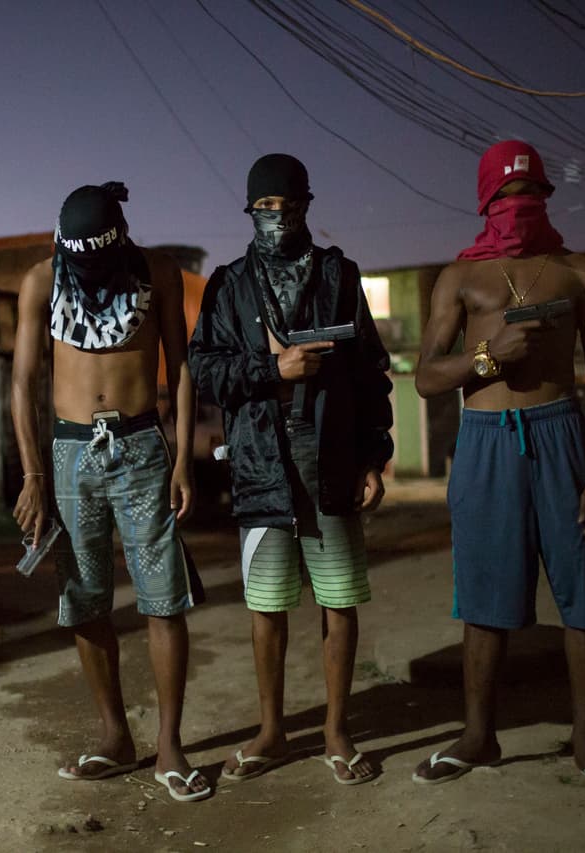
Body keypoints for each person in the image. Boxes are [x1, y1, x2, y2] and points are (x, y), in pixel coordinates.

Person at [412, 140, 585, 796]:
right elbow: (428, 376)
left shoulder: (578, 270)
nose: (520, 210)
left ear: (546, 196)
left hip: (562, 433)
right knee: (485, 594)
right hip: (487, 440)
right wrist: (486, 358)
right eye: (506, 199)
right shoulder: (460, 277)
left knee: (583, 589)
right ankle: (478, 735)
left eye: (531, 196)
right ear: (486, 204)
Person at [189, 154, 393, 786]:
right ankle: (273, 732)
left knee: (338, 600)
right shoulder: (228, 284)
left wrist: (374, 456)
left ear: (308, 206)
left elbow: (369, 376)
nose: (278, 219)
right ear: (250, 213)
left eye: (289, 207)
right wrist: (270, 371)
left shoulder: (339, 273)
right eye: (266, 210)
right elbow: (204, 368)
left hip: (329, 459)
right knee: (267, 604)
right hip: (259, 466)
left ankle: (336, 732)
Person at [10, 182, 210, 802]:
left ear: (121, 235)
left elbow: (180, 366)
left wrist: (181, 460)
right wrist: (35, 475)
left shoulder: (158, 272)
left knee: (161, 598)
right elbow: (23, 384)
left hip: (143, 446)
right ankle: (115, 738)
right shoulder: (42, 281)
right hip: (70, 456)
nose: (89, 269)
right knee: (85, 599)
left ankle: (170, 748)